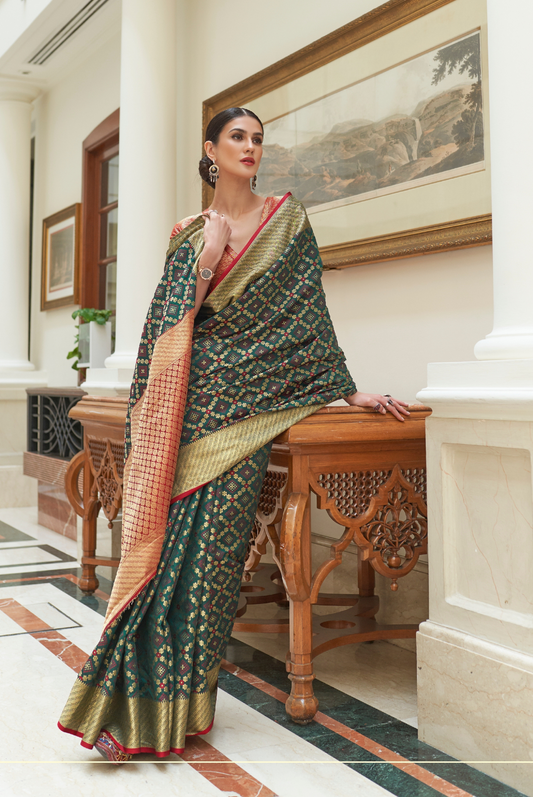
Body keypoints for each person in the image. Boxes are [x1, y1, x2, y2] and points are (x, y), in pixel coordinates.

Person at [58, 107, 409, 763]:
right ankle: (125, 706)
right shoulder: (190, 232)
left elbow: (307, 318)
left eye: (257, 140)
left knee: (213, 566)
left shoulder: (288, 221)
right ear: (211, 149)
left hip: (251, 413)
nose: (250, 148)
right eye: (238, 138)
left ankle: (178, 710)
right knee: (163, 556)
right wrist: (207, 258)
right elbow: (171, 321)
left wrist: (346, 388)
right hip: (192, 409)